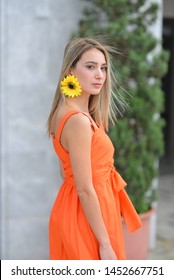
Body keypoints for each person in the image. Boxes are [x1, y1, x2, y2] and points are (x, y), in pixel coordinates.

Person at [47, 37, 142, 260]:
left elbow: (65, 172)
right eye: (90, 67)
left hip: (80, 208)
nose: (100, 75)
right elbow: (84, 189)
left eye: (103, 68)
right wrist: (105, 243)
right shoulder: (78, 121)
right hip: (90, 214)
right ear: (71, 70)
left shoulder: (67, 112)